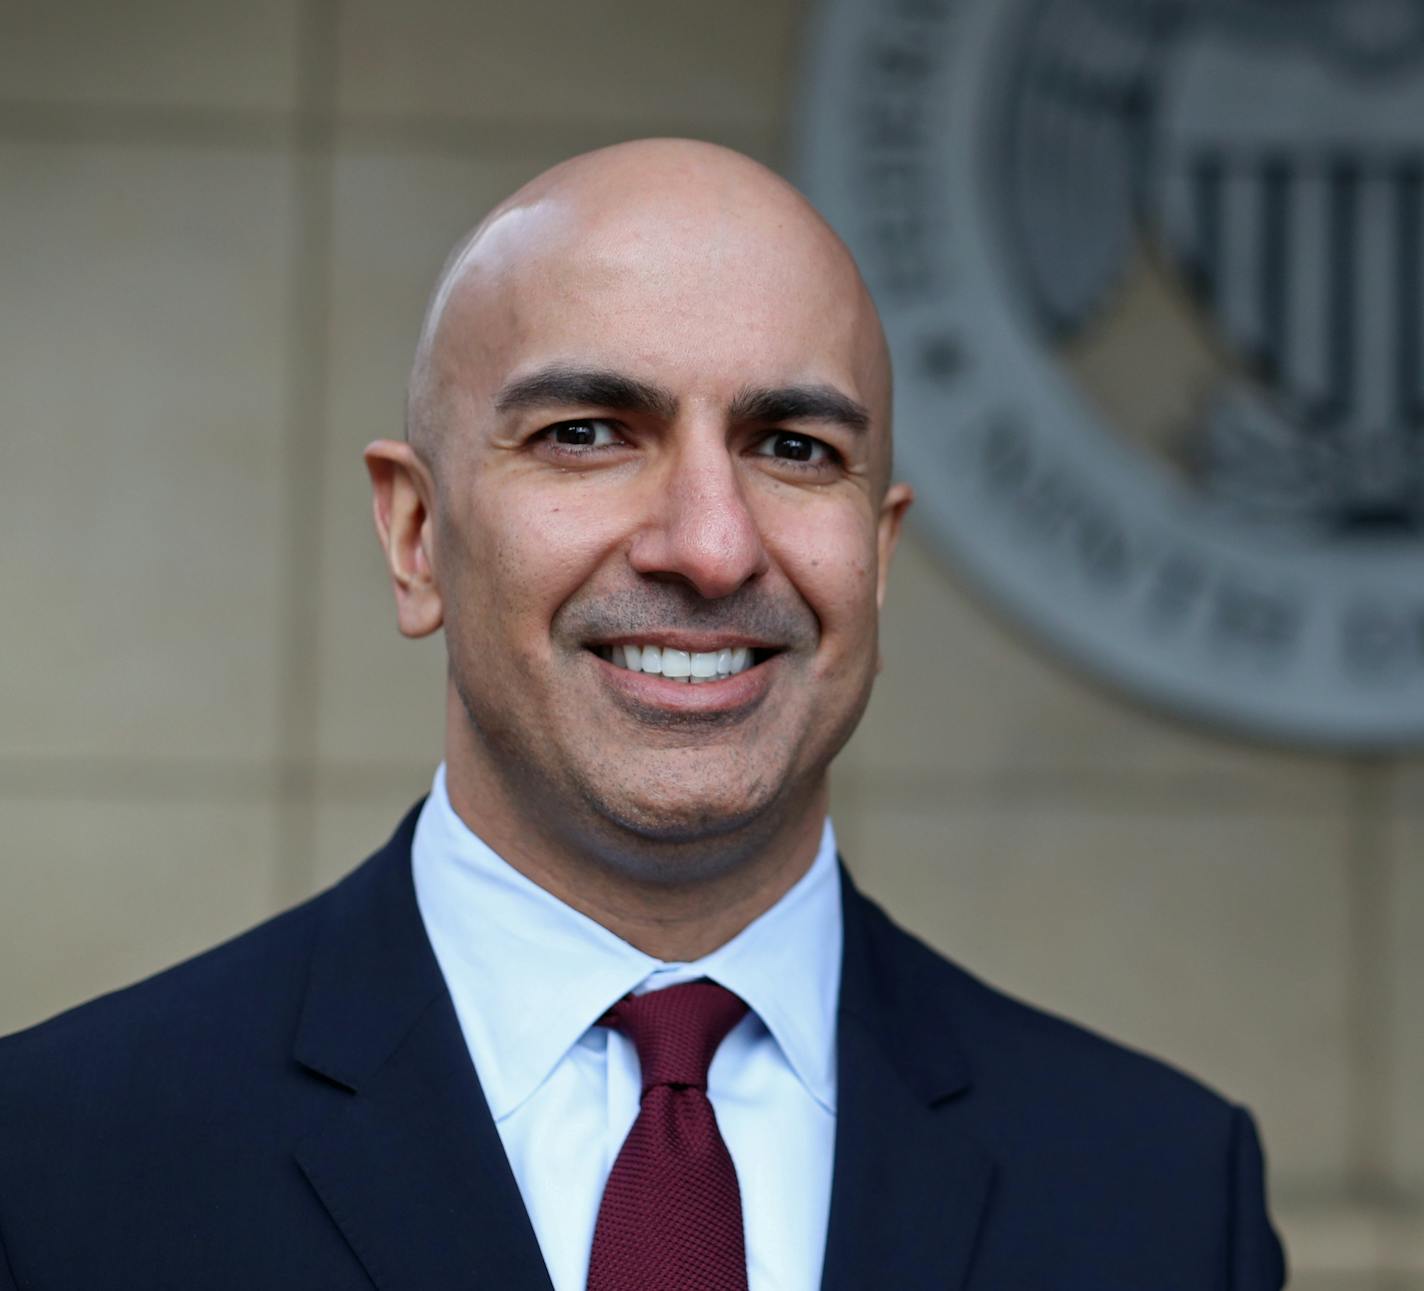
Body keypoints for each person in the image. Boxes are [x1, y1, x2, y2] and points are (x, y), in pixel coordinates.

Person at [0, 139, 1285, 1291]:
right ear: (416, 535)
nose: (711, 548)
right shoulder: (56, 1163)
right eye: (587, 432)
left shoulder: (1162, 1198)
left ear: (877, 560)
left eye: (791, 447)